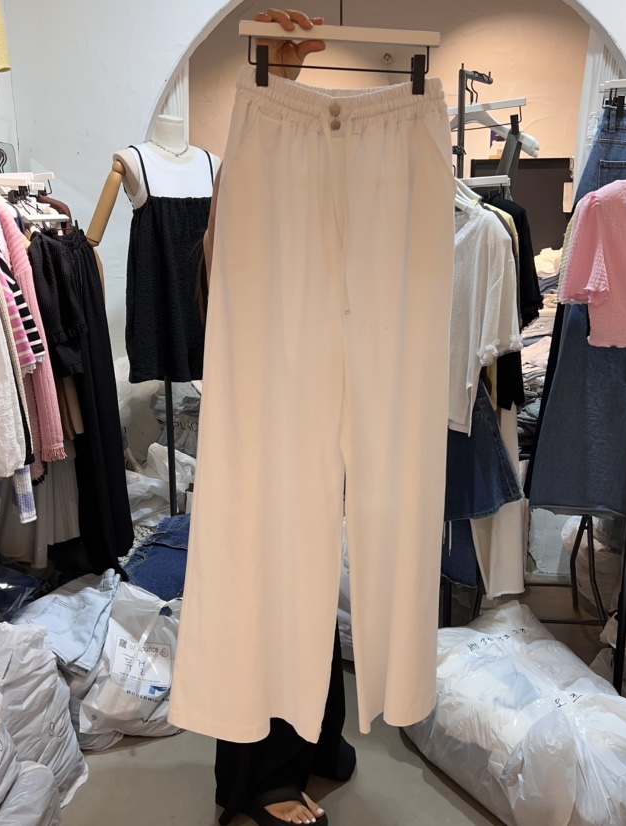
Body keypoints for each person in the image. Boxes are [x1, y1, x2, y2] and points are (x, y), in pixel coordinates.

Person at [202, 10, 356, 826]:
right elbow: (227, 249)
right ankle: (262, 778)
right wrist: (276, 88)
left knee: (308, 576)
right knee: (266, 580)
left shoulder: (331, 211)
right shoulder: (254, 217)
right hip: (266, 418)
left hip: (313, 412)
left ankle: (311, 740)